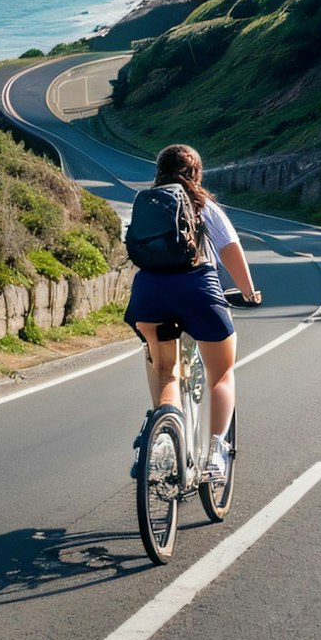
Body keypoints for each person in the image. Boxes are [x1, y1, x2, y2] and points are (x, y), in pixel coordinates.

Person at [125, 143, 261, 481]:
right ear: (196, 174)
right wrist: (248, 292)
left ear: (158, 172)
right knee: (222, 373)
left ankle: (162, 442)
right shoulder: (204, 206)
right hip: (197, 289)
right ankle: (216, 453)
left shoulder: (146, 203)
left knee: (165, 370)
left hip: (149, 294)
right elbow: (230, 249)